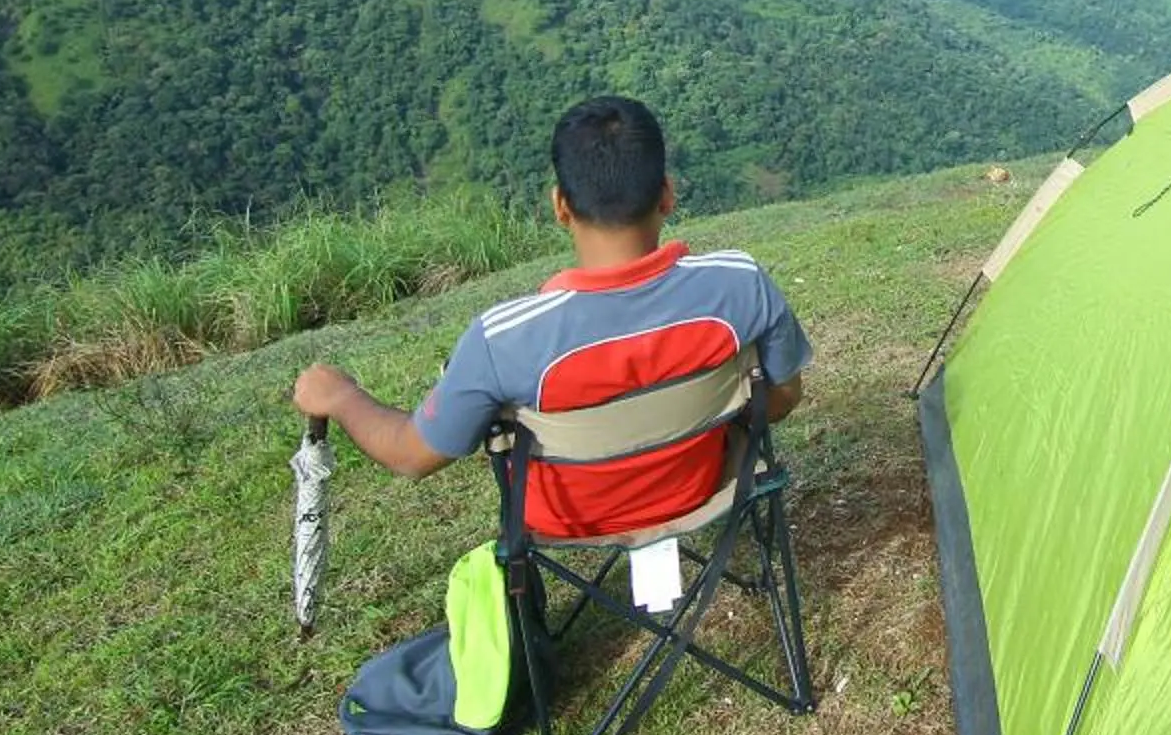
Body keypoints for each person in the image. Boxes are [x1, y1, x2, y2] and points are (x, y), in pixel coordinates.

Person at [290, 96, 810, 537]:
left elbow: (411, 455)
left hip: (569, 522)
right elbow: (782, 397)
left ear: (560, 206)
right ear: (667, 194)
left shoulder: (501, 340)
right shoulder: (741, 284)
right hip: (701, 489)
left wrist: (341, 396)